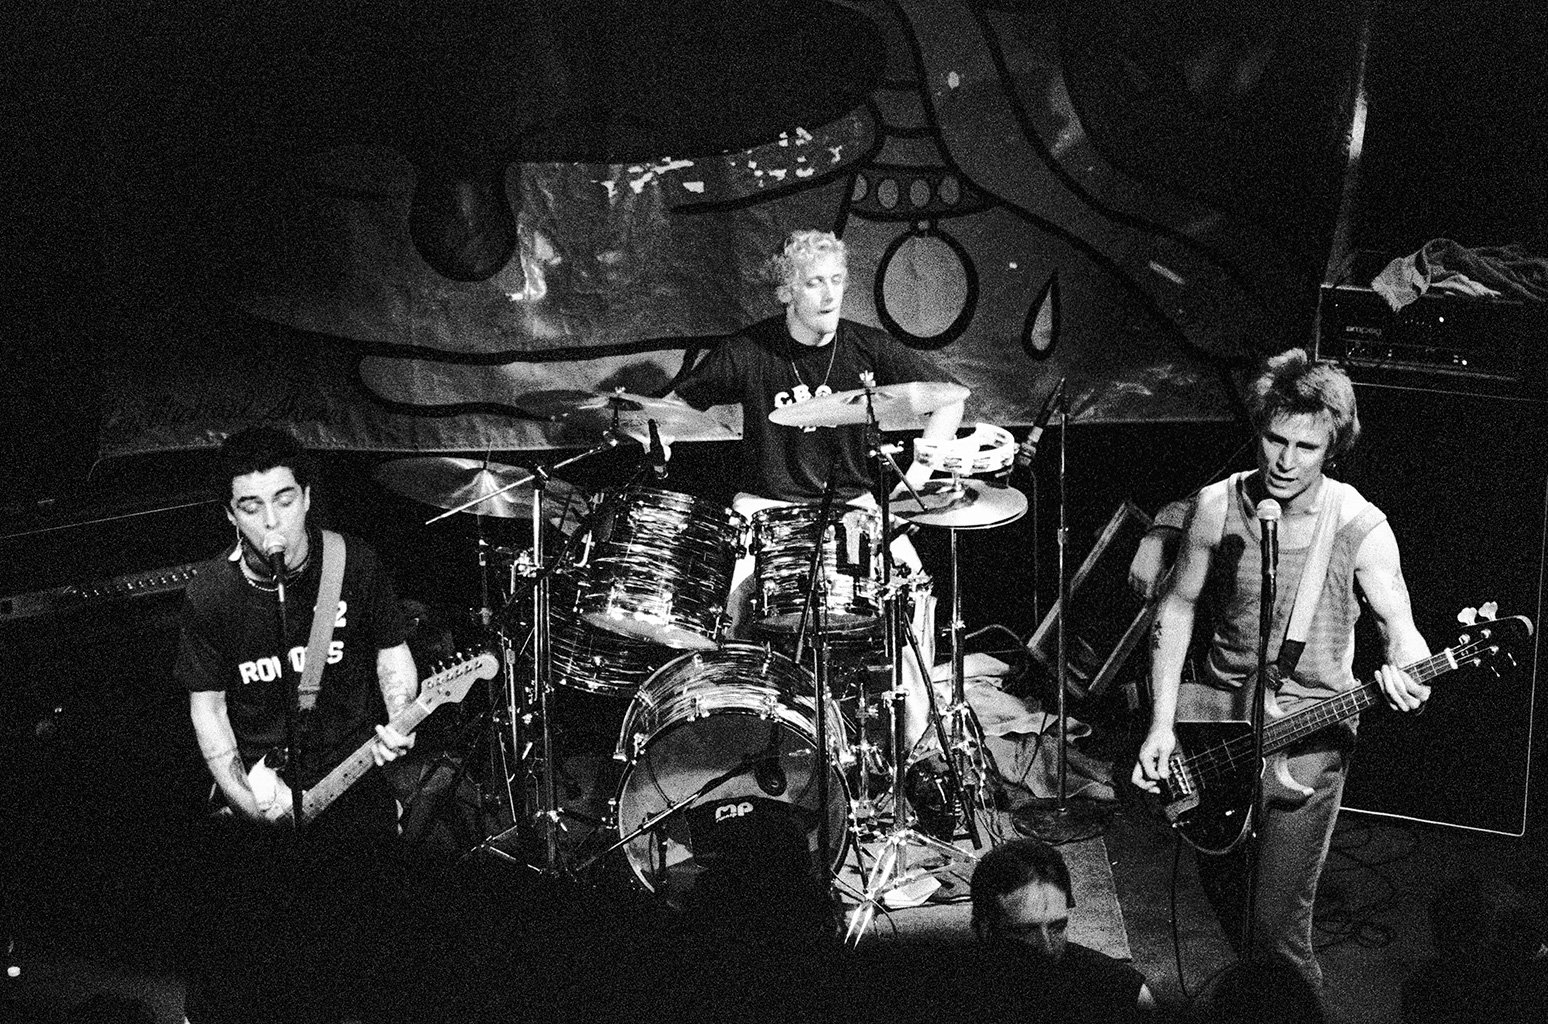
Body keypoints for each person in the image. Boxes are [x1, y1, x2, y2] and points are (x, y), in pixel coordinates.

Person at [1131, 348, 1432, 994]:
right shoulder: (1217, 505)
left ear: (1333, 449)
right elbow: (1177, 607)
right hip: (1217, 731)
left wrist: (1410, 672)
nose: (1285, 461)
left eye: (1306, 447)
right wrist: (1161, 725)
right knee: (1230, 909)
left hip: (1310, 738)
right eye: (1275, 439)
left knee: (1277, 933)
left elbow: (1401, 630)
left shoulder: (1359, 526)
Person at [673, 227, 963, 744]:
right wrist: (653, 429)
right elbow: (677, 406)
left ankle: (915, 743)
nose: (830, 294)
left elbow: (950, 397)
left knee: (912, 593)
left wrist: (919, 474)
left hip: (853, 507)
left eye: (837, 280)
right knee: (730, 606)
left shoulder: (866, 347)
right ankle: (738, 737)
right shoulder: (749, 349)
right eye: (813, 283)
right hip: (765, 507)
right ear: (786, 291)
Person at [174, 425, 419, 1024]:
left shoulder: (353, 563)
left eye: (284, 500)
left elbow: (392, 656)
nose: (272, 522)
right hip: (261, 789)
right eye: (251, 507)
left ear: (307, 497)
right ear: (231, 515)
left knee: (370, 959)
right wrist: (247, 803)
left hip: (351, 775)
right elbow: (208, 709)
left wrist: (400, 717)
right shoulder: (211, 594)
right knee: (253, 972)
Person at [968, 837, 1155, 1022]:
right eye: (1026, 931)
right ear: (985, 929)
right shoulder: (960, 988)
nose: (1047, 948)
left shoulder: (1121, 991)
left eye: (1057, 927)